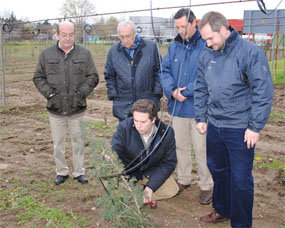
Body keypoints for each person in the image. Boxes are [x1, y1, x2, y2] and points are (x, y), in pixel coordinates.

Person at [194, 11, 274, 227]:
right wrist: (201, 116)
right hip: (215, 126)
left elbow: (263, 91)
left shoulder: (250, 53)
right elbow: (200, 88)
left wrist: (254, 126)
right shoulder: (207, 55)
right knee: (218, 171)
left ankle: (240, 223)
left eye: (210, 39)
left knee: (240, 179)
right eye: (205, 40)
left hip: (240, 129)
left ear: (223, 30)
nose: (208, 44)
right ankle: (222, 209)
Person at [33, 21, 99, 185]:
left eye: (71, 34)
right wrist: (49, 94)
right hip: (55, 109)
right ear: (57, 35)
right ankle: (62, 171)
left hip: (77, 109)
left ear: (74, 35)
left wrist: (80, 94)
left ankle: (79, 172)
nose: (68, 38)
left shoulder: (84, 53)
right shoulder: (46, 54)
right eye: (64, 35)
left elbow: (93, 77)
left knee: (78, 142)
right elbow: (38, 77)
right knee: (58, 144)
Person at [160, 8, 213, 204]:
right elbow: (164, 71)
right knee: (180, 145)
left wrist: (186, 91)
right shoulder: (174, 46)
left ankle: (207, 185)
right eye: (177, 27)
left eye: (184, 26)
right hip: (178, 107)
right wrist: (172, 90)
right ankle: (184, 179)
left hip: (199, 107)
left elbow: (208, 74)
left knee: (201, 148)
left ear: (194, 23)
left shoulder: (206, 46)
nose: (180, 31)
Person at [111, 99, 179, 207]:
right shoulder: (124, 127)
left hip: (151, 172)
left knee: (172, 190)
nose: (138, 125)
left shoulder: (166, 132)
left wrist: (151, 187)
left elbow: (169, 163)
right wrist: (110, 156)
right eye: (135, 120)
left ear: (153, 120)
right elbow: (115, 147)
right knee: (108, 182)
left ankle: (137, 193)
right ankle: (139, 193)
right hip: (130, 172)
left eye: (143, 122)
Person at [104, 20, 163, 122]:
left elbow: (160, 72)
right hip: (124, 104)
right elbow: (109, 75)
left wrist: (156, 94)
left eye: (128, 36)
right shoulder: (113, 51)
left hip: (147, 102)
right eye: (122, 37)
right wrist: (115, 95)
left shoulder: (151, 48)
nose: (125, 40)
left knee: (147, 136)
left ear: (135, 34)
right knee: (126, 136)